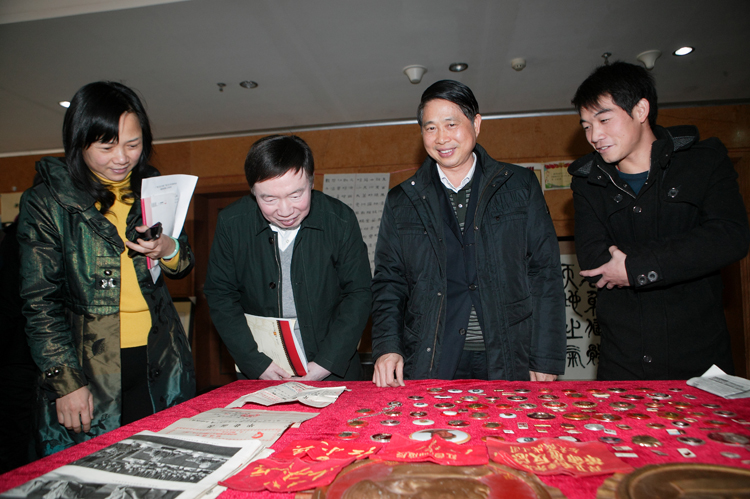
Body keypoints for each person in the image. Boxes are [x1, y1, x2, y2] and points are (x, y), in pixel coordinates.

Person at [18, 81, 196, 456]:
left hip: (159, 357)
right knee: (93, 469)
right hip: (89, 366)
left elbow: (182, 264)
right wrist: (66, 382)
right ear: (79, 143)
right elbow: (39, 302)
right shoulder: (48, 201)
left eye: (133, 145)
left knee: (159, 462)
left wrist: (168, 248)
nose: (121, 158)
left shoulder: (152, 189)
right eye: (106, 147)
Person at [371, 80, 566, 387]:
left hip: (509, 353)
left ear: (476, 123)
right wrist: (387, 347)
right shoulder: (402, 200)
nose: (441, 138)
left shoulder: (518, 186)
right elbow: (389, 282)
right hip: (431, 355)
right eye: (430, 128)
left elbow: (545, 273)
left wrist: (545, 356)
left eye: (451, 124)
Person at [568, 62, 750, 380]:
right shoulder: (587, 182)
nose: (595, 136)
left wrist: (635, 267)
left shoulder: (703, 161)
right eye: (586, 126)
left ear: (640, 110)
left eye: (604, 120)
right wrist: (683, 252)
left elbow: (728, 237)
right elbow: (594, 260)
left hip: (699, 358)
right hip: (623, 360)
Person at [204, 135, 371, 381]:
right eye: (269, 199)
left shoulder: (340, 220)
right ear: (252, 192)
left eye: (296, 195)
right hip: (261, 369)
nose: (285, 211)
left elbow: (359, 293)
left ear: (311, 182)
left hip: (333, 368)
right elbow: (220, 295)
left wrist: (326, 363)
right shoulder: (231, 224)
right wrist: (255, 362)